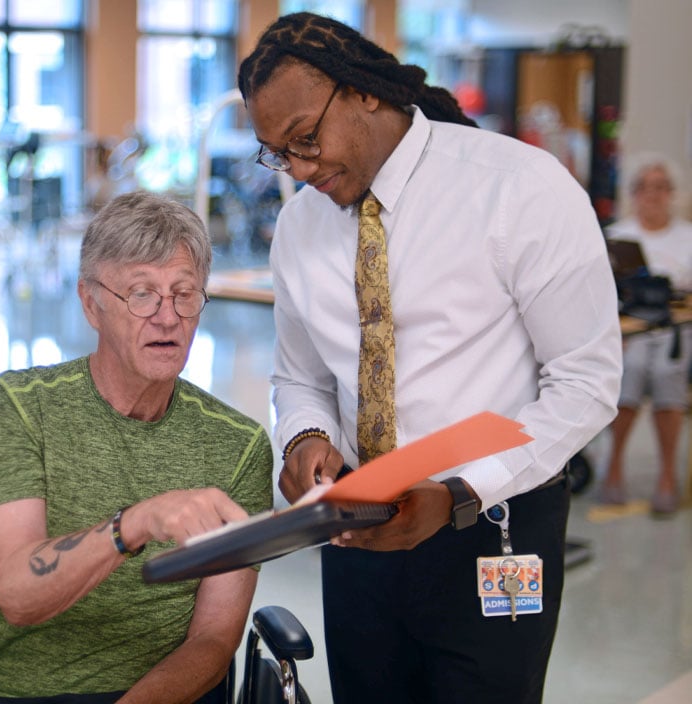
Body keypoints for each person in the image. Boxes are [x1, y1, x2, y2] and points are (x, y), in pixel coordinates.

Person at [239, 13, 622, 704]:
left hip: (495, 524)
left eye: (305, 139)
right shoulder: (299, 226)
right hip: (357, 533)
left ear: (364, 93)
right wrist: (306, 435)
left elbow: (585, 384)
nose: (297, 168)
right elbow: (300, 376)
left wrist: (459, 495)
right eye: (277, 153)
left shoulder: (519, 187)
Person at [0, 191, 273, 703]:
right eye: (142, 294)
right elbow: (18, 595)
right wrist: (134, 524)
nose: (168, 317)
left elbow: (213, 638)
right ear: (91, 304)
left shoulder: (238, 446)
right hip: (4, 693)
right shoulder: (17, 406)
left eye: (185, 294)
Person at [601, 153, 692, 514]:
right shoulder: (617, 236)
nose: (652, 195)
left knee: (667, 372)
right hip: (631, 331)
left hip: (676, 330)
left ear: (672, 192)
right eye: (644, 188)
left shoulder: (687, 236)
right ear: (633, 193)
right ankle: (614, 464)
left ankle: (668, 473)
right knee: (633, 369)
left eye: (660, 187)